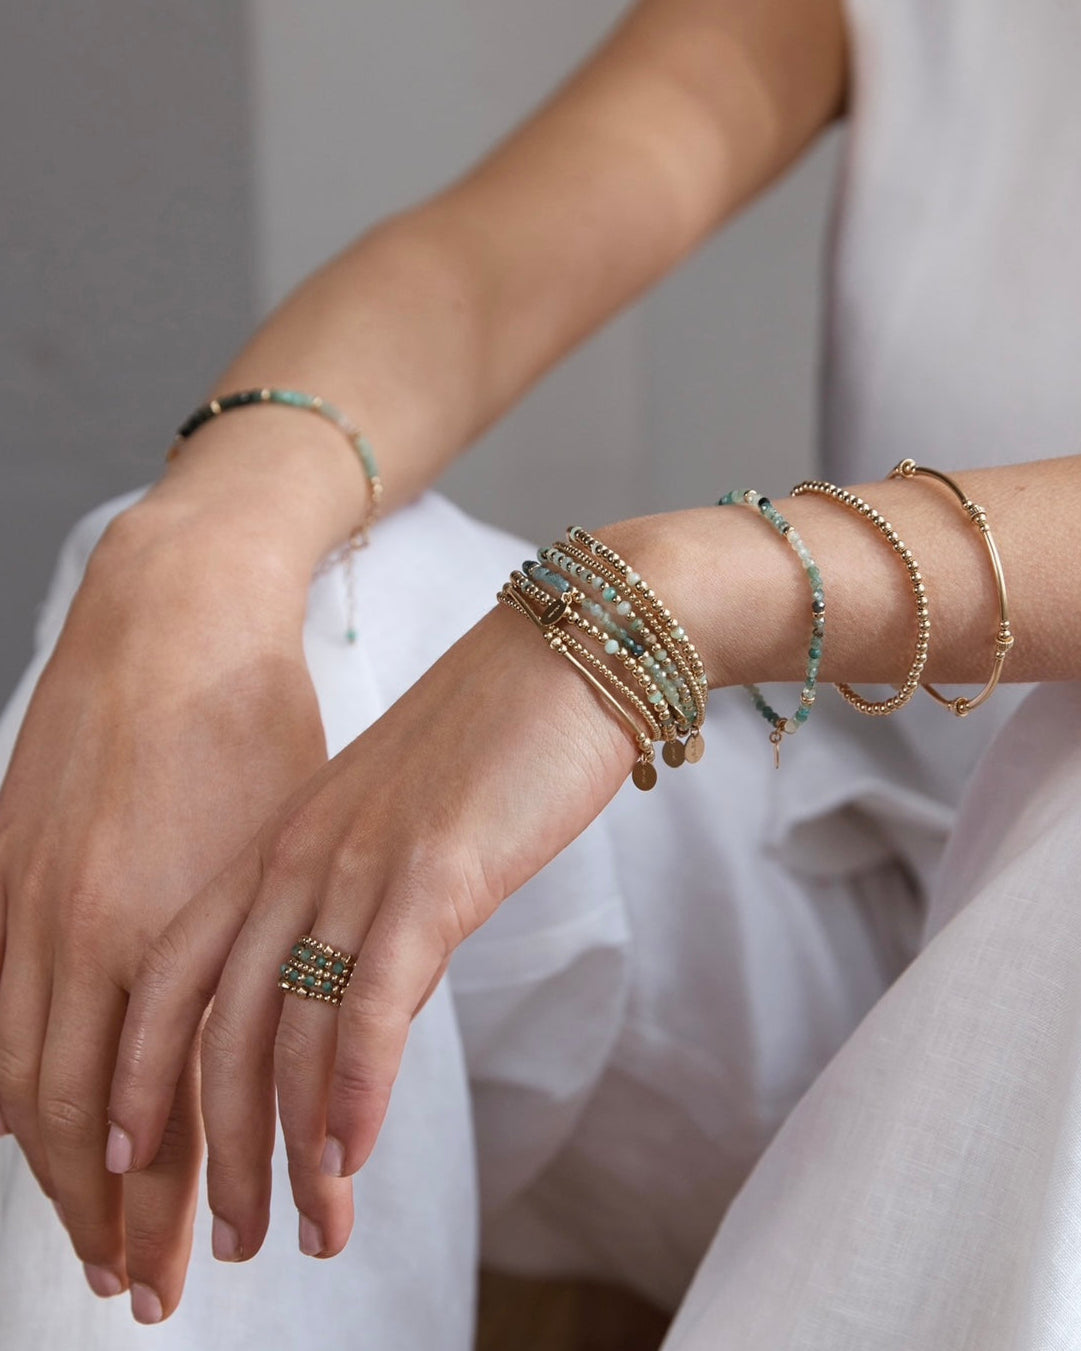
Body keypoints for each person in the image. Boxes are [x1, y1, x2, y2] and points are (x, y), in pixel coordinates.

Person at [1, 2, 1079, 1349]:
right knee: (279, 619)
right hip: (866, 922)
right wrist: (185, 555)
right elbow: (488, 265)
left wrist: (679, 597)